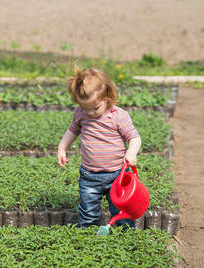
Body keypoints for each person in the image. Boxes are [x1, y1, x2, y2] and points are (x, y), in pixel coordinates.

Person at [57, 67, 141, 230]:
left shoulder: (118, 116)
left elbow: (134, 137)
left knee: (121, 211)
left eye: (95, 108)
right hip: (89, 175)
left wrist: (131, 153)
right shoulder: (80, 113)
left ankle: (126, 240)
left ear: (107, 98)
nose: (90, 113)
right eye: (85, 108)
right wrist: (62, 147)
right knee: (88, 213)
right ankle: (87, 239)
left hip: (118, 175)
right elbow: (73, 130)